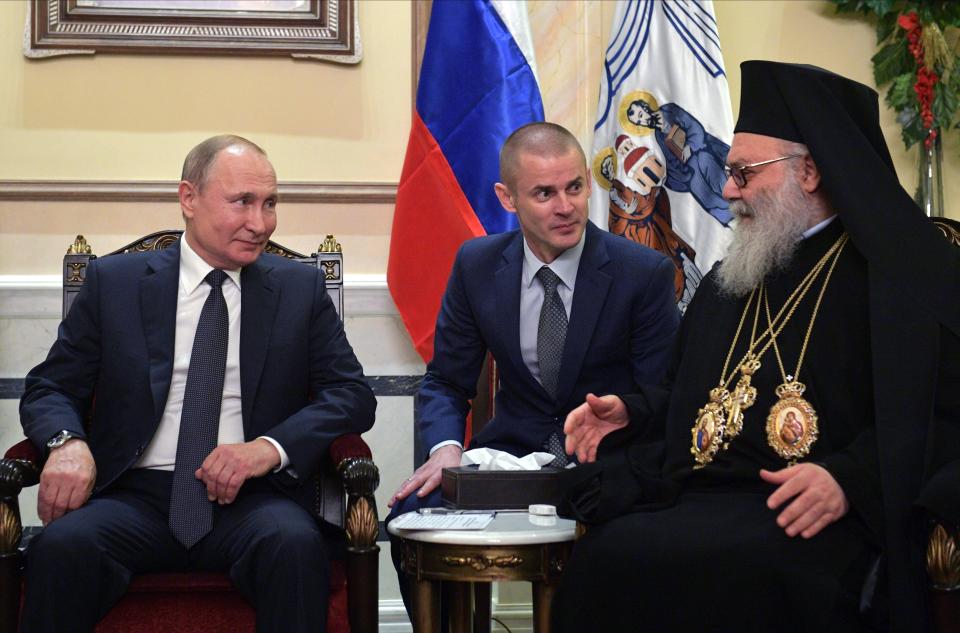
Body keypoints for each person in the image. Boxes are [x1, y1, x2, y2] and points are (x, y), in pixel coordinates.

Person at [555, 62, 960, 633]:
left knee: (749, 573)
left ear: (812, 172)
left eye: (743, 174)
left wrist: (848, 480)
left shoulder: (899, 280)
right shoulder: (736, 277)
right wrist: (632, 412)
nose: (725, 190)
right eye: (727, 172)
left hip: (816, 519)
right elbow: (682, 391)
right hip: (702, 499)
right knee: (605, 559)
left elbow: (937, 416)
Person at [19, 135, 377, 633]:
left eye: (270, 203)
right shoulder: (115, 283)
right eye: (242, 203)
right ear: (189, 198)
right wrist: (67, 443)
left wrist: (269, 448)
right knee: (61, 548)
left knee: (294, 546)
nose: (261, 223)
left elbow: (351, 395)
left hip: (254, 499)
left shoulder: (298, 288)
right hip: (133, 496)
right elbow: (50, 387)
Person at [386, 122, 680, 614]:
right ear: (508, 197)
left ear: (588, 181)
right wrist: (445, 449)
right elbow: (445, 380)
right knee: (410, 513)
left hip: (604, 463)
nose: (565, 207)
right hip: (510, 457)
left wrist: (623, 410)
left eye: (574, 187)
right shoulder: (476, 264)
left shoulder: (642, 273)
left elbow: (668, 392)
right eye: (543, 193)